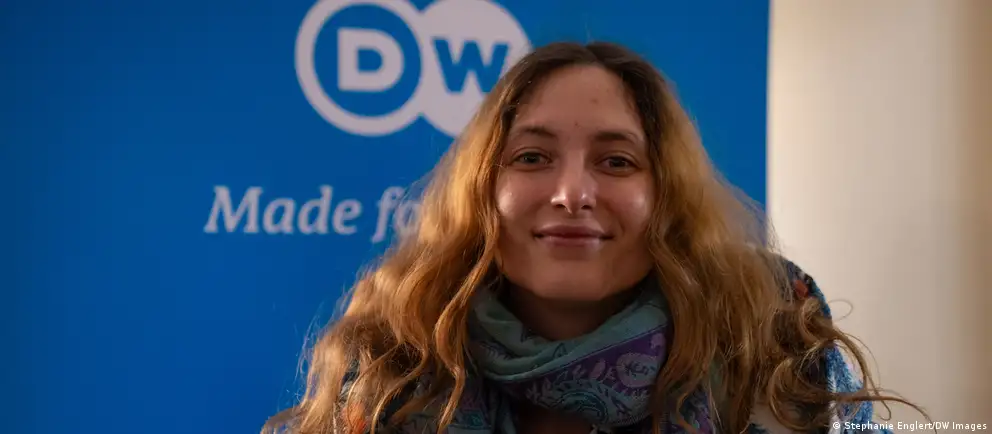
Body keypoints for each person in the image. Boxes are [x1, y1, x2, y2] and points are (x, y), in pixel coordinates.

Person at [264, 41, 920, 434]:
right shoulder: (392, 361)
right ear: (483, 191)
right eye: (531, 157)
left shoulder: (772, 341)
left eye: (616, 161)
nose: (572, 193)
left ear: (667, 196)